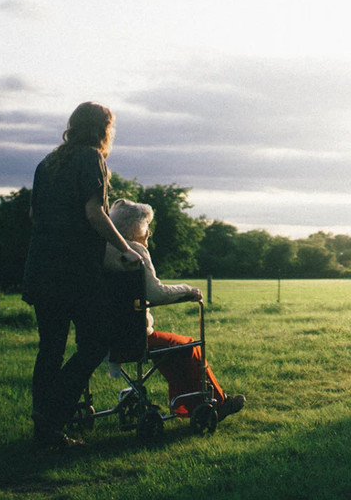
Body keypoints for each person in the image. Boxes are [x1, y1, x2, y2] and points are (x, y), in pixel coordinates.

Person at [22, 102, 144, 449]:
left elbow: (35, 214)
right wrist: (126, 248)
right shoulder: (92, 159)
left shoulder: (46, 163)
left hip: (41, 267)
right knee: (95, 344)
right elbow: (95, 213)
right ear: (103, 129)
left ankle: (43, 428)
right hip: (73, 271)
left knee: (50, 349)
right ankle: (52, 416)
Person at [103, 198, 245, 421]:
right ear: (135, 227)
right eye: (146, 226)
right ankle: (217, 402)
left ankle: (189, 406)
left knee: (172, 349)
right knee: (188, 346)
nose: (149, 233)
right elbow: (156, 294)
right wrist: (188, 290)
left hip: (106, 336)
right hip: (135, 337)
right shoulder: (135, 251)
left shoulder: (104, 251)